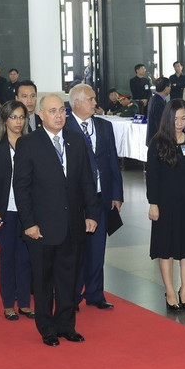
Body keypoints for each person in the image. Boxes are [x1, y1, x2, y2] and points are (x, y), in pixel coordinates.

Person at [13, 94, 99, 346]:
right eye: (53, 111)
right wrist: (28, 223)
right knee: (42, 280)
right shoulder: (29, 144)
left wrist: (91, 213)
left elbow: (87, 181)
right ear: (40, 115)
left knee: (68, 278)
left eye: (62, 110)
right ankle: (47, 327)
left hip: (72, 224)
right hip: (41, 226)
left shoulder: (76, 140)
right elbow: (22, 187)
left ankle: (66, 325)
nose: (59, 115)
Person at [147, 99, 185, 311]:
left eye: (183, 118)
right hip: (165, 203)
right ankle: (170, 291)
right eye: (175, 118)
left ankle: (184, 291)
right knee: (166, 249)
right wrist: (153, 203)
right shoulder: (157, 142)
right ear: (168, 118)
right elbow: (152, 177)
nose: (179, 123)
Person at [66, 84, 124, 309]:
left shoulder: (104, 126)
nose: (94, 103)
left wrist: (116, 194)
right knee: (75, 250)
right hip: (75, 201)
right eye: (90, 99)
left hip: (101, 197)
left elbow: (113, 162)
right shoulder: (66, 127)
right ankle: (72, 295)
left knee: (97, 249)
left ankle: (95, 294)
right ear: (77, 102)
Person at [0, 101, 34, 320]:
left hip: (28, 210)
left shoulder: (32, 143)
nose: (18, 122)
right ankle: (7, 303)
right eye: (13, 117)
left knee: (26, 257)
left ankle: (24, 302)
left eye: (21, 117)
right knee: (7, 255)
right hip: (4, 210)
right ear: (4, 119)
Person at [147, 77, 170, 144]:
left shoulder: (154, 99)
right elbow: (160, 122)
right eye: (170, 86)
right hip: (157, 139)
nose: (170, 89)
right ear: (166, 88)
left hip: (154, 138)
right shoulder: (158, 102)